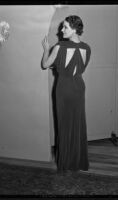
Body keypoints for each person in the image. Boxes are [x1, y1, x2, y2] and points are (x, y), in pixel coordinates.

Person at [42, 15, 91, 172]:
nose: (61, 30)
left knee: (63, 125)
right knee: (77, 124)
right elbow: (80, 68)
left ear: (75, 29)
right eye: (62, 27)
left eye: (65, 27)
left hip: (63, 89)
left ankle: (65, 164)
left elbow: (45, 65)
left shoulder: (59, 46)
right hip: (78, 88)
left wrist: (45, 49)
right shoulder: (87, 48)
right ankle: (78, 161)